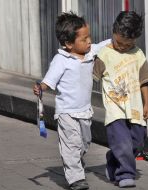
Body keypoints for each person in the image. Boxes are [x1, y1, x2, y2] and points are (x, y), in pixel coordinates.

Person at [33, 12, 110, 190]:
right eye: (84, 39)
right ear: (68, 44)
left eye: (89, 37)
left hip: (85, 110)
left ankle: (74, 159)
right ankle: (76, 178)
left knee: (84, 143)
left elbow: (104, 44)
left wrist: (118, 39)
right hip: (66, 112)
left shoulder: (90, 52)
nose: (89, 41)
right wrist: (41, 88)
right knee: (72, 144)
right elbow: (48, 80)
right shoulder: (61, 60)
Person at [93, 11, 148, 188]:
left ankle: (113, 158)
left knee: (138, 141)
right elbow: (89, 76)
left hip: (135, 108)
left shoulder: (138, 54)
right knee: (122, 142)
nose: (121, 47)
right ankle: (126, 174)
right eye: (119, 42)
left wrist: (147, 104)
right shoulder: (104, 54)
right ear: (114, 31)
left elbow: (145, 81)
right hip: (115, 109)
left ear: (135, 40)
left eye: (127, 45)